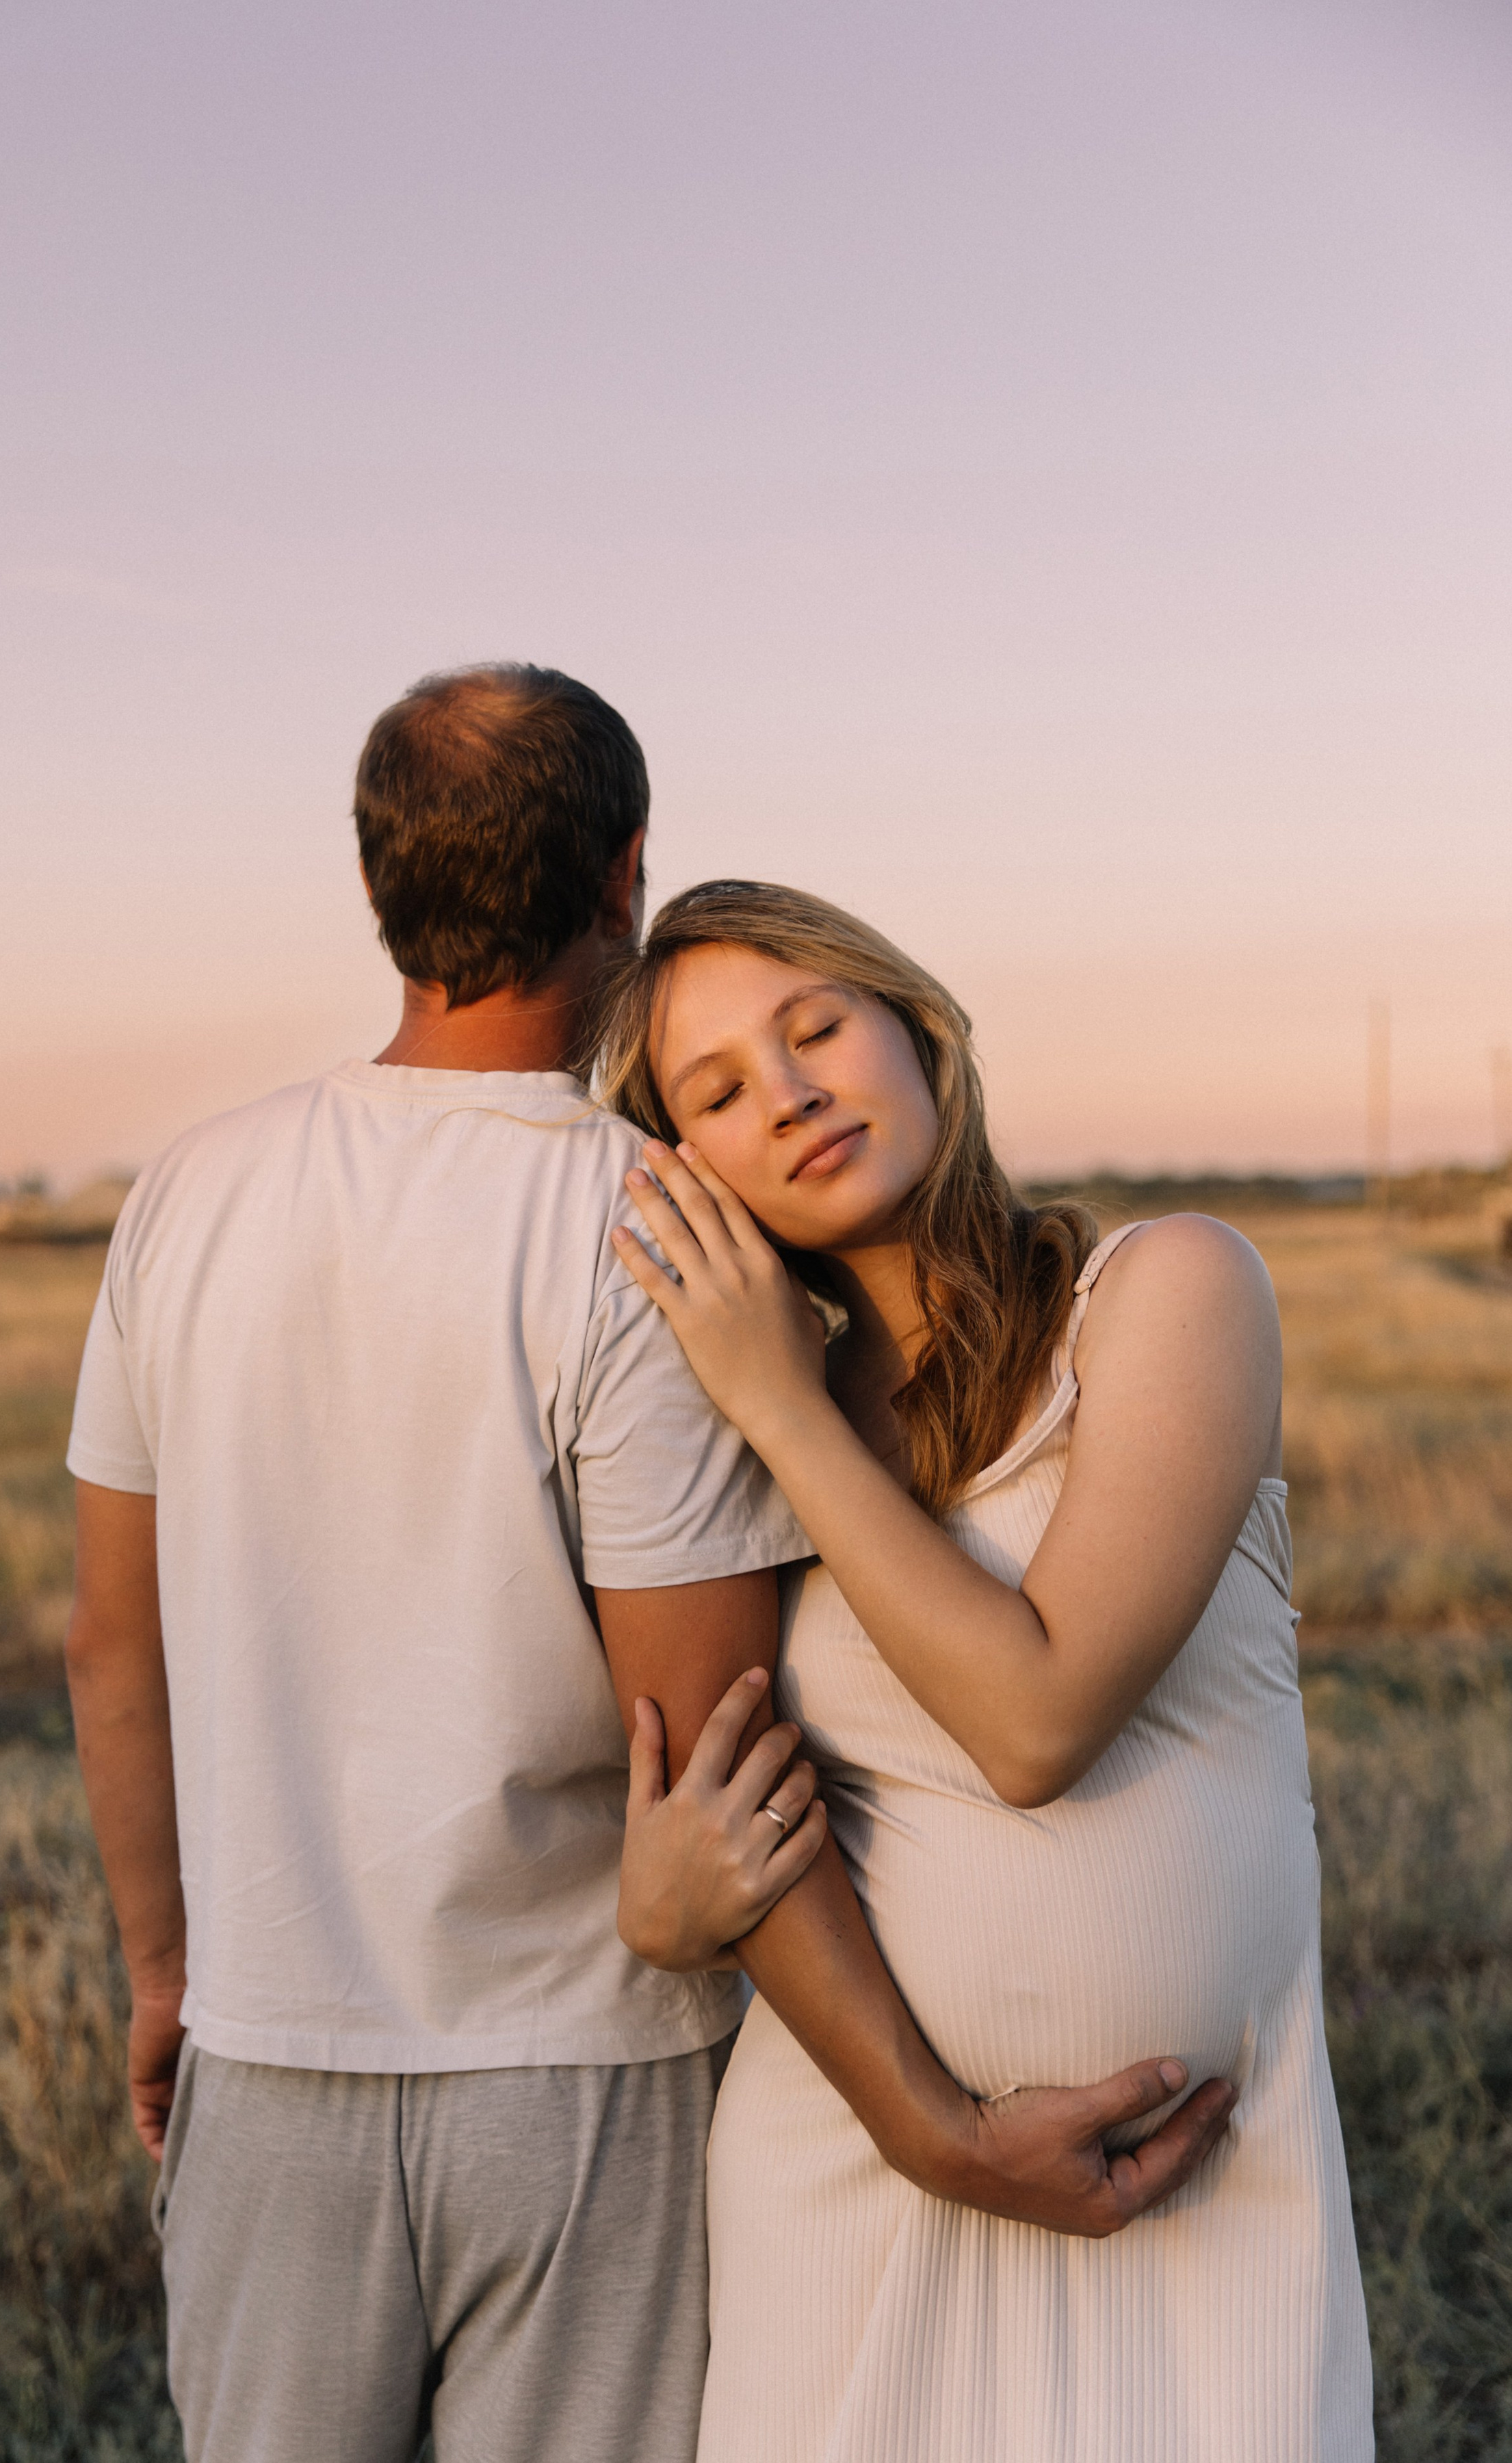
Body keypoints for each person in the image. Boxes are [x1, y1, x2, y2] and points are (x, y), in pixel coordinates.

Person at [64, 678, 1234, 2463]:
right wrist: (926, 2120)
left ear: (382, 884)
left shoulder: (187, 1193)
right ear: (626, 876)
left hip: (265, 2061)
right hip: (581, 2081)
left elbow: (109, 1648)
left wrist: (165, 1975)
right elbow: (713, 1757)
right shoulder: (641, 1225)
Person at [596, 878, 1374, 2463]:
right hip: (853, 2198)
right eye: (721, 1090)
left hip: (1197, 2195)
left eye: (815, 1027)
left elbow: (1036, 1719)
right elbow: (706, 1820)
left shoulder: (1164, 1292)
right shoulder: (740, 1429)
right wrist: (656, 1906)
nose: (791, 1092)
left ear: (921, 1034)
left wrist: (777, 1404)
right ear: (685, 1171)